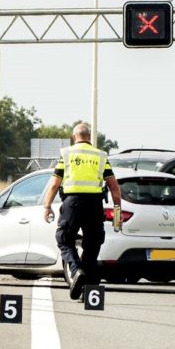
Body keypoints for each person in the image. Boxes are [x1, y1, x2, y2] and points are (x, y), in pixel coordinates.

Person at [42, 122, 122, 299]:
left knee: (64, 239)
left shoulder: (67, 154)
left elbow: (55, 183)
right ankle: (89, 290)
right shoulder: (101, 156)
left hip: (73, 203)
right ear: (89, 137)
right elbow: (114, 187)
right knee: (92, 246)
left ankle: (76, 270)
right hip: (94, 205)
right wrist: (118, 211)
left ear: (74, 137)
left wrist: (47, 206)